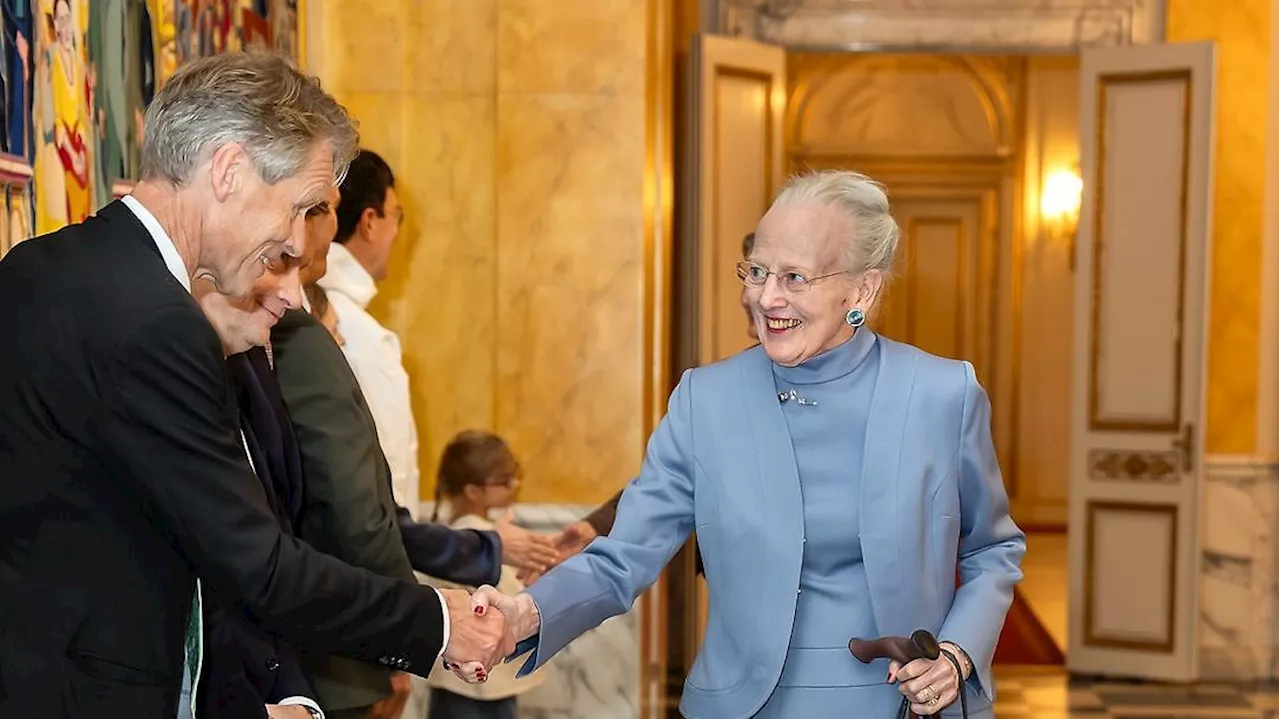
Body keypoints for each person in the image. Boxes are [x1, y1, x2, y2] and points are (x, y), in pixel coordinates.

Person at [0, 51, 509, 718]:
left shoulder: (41, 261)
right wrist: (437, 621)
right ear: (230, 170)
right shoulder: (159, 321)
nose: (295, 238)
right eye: (297, 207)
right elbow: (260, 565)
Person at [473, 170, 1025, 718]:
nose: (766, 297)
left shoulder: (943, 394)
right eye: (757, 271)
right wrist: (525, 614)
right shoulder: (704, 400)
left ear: (862, 288)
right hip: (745, 707)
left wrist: (956, 655)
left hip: (904, 706)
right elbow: (624, 556)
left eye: (794, 277)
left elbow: (991, 549)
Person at [274, 195, 557, 718]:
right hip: (335, 648)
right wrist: (404, 634)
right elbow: (361, 515)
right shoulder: (303, 337)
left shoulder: (312, 328)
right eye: (323, 206)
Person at [191, 271, 323, 719]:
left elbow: (272, 537)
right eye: (274, 260)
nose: (291, 294)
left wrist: (292, 693)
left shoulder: (241, 369)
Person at [426, 432, 550, 719]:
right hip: (472, 690)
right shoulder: (473, 541)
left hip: (479, 687)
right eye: (504, 480)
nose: (514, 486)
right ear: (474, 491)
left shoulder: (468, 534)